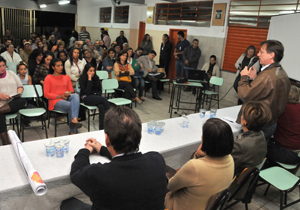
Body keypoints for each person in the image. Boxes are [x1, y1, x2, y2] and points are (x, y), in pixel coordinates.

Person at [61, 106, 167, 210]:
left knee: (67, 203)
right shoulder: (157, 160)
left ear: (107, 139)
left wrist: (86, 150)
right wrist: (102, 149)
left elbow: (76, 173)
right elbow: (128, 159)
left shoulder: (98, 174)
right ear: (140, 136)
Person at [165, 118, 234, 210]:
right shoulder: (230, 159)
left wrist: (196, 156)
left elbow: (170, 186)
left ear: (207, 141)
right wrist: (197, 155)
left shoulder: (195, 167)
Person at [237, 40, 291, 141]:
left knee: (247, 153)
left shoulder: (266, 76)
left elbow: (244, 95)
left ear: (271, 55)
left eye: (261, 52)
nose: (258, 54)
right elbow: (268, 92)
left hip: (258, 125)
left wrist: (244, 77)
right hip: (271, 122)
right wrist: (256, 78)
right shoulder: (281, 73)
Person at [231, 101, 272, 175]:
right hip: (250, 176)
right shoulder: (261, 135)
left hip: (234, 178)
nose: (241, 116)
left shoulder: (240, 145)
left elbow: (226, 164)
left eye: (242, 115)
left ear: (245, 122)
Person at [44, 58, 82, 135]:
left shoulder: (66, 77)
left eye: (61, 65)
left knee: (75, 95)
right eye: (58, 66)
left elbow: (71, 90)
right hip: (55, 100)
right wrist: (60, 96)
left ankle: (74, 119)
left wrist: (68, 93)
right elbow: (46, 94)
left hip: (66, 97)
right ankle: (73, 131)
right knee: (71, 105)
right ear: (53, 67)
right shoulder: (48, 78)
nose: (61, 67)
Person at [267, 86, 300, 165]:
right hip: (297, 150)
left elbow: (268, 125)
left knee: (258, 148)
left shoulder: (282, 109)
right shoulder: (298, 106)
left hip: (287, 152)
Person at [0, 56, 26, 145]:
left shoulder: (11, 73)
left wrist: (18, 92)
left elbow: (20, 86)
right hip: (1, 103)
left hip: (13, 102)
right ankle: (6, 143)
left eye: (3, 65)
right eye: (0, 66)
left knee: (22, 100)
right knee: (0, 115)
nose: (2, 68)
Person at [79, 63, 109, 130]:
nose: (92, 72)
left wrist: (96, 95)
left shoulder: (96, 77)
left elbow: (100, 90)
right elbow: (87, 92)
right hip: (86, 98)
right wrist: (89, 80)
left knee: (101, 106)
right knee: (104, 99)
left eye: (93, 70)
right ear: (86, 71)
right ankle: (110, 116)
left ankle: (102, 128)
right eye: (90, 71)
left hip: (95, 97)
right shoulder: (82, 79)